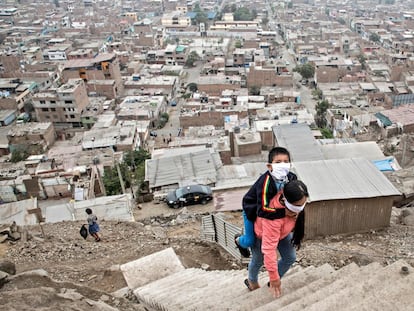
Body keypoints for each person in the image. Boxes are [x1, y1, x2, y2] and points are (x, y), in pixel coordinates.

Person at [245, 180, 309, 298]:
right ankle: (252, 280)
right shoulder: (272, 218)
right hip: (263, 235)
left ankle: (272, 283)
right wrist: (274, 277)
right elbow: (269, 250)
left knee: (290, 257)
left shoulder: (294, 203)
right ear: (285, 201)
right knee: (258, 260)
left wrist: (275, 278)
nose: (299, 211)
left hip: (282, 234)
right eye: (297, 207)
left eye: (302, 205)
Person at [234, 147, 297, 258]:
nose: (282, 165)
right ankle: (239, 240)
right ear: (270, 166)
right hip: (253, 210)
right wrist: (285, 213)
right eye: (278, 162)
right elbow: (262, 210)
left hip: (273, 209)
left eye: (286, 162)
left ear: (290, 164)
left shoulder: (292, 178)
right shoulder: (265, 183)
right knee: (249, 241)